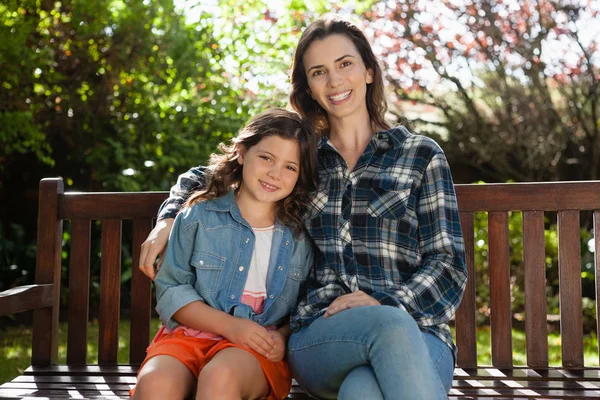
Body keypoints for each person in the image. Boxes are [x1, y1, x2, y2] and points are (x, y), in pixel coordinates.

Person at [139, 15, 467, 400]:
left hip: (419, 331)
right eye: (318, 72)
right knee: (388, 325)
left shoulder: (420, 156)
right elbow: (212, 172)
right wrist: (168, 218)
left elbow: (447, 266)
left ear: (368, 72)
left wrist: (385, 302)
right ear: (308, 87)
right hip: (321, 333)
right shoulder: (303, 158)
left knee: (363, 389)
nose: (334, 81)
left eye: (345, 64)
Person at [132, 108, 318, 400]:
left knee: (220, 378)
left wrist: (282, 338)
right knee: (155, 384)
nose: (274, 173)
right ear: (242, 153)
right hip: (189, 335)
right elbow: (172, 290)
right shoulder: (198, 215)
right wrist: (230, 326)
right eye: (266, 158)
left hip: (254, 347)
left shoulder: (299, 237)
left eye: (290, 167)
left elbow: (305, 305)